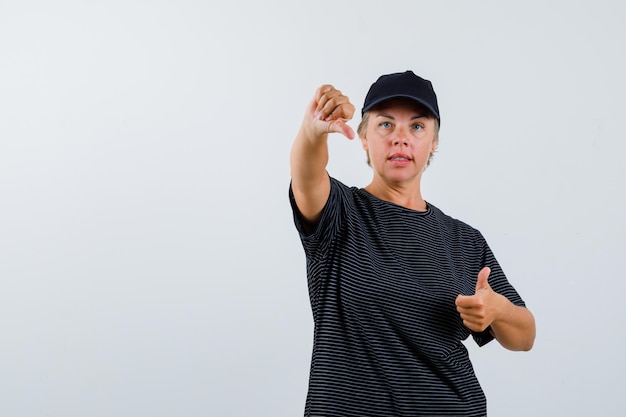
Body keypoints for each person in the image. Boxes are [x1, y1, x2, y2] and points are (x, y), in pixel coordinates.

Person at [288, 70, 536, 417]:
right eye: (385, 125)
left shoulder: (463, 240)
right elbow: (306, 174)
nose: (400, 139)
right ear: (363, 138)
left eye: (417, 127)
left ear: (433, 141)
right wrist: (312, 133)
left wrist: (498, 309)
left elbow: (524, 336)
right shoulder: (339, 213)